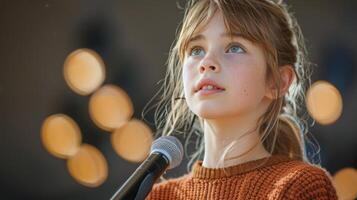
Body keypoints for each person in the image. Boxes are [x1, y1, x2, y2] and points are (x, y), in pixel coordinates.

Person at [145, 0, 338, 199]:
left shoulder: (299, 186)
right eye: (196, 50)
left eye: (234, 47)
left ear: (277, 82)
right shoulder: (156, 196)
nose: (206, 62)